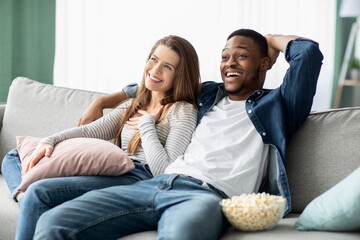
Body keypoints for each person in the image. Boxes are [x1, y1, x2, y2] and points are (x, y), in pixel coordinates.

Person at [33, 29, 323, 240]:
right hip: (155, 184)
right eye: (224, 57)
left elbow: (308, 54)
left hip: (207, 196)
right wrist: (104, 101)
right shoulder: (209, 95)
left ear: (263, 64)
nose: (230, 63)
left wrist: (271, 40)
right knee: (53, 222)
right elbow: (158, 82)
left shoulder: (280, 105)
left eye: (242, 56)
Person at [1, 35, 201, 240]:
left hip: (138, 180)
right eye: (153, 59)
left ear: (181, 75)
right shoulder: (134, 104)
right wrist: (49, 140)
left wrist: (147, 124)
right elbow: (89, 131)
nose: (155, 70)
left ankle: (27, 197)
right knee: (16, 155)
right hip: (111, 170)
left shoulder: (182, 111)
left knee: (38, 192)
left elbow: (164, 171)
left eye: (167, 67)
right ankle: (23, 195)